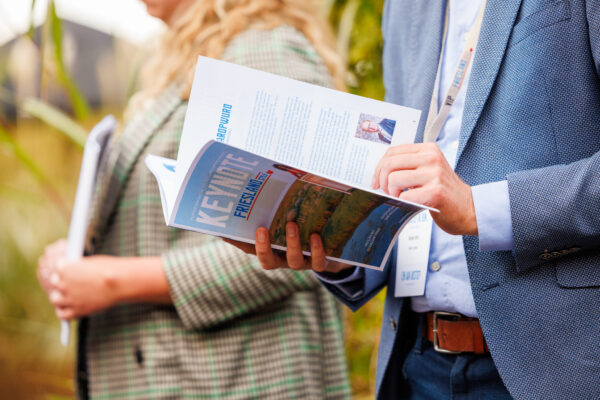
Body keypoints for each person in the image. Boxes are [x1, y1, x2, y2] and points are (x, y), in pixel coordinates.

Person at [238, 0, 600, 398]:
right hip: (416, 364)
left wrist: (479, 208)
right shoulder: (405, 7)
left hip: (554, 366)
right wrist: (344, 251)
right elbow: (398, 182)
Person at [36, 0, 352, 399]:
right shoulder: (187, 60)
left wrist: (114, 280)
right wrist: (79, 258)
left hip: (236, 377)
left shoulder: (260, 51)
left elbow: (307, 237)